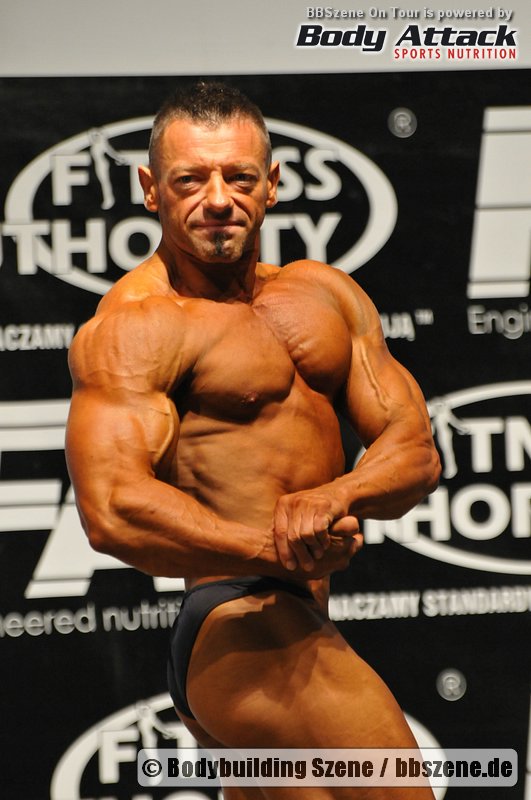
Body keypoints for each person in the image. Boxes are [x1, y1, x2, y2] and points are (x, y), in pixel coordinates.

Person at [66, 81, 441, 799]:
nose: (217, 199)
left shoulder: (325, 294)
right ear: (150, 188)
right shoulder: (137, 324)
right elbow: (111, 509)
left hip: (293, 620)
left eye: (238, 177)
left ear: (271, 183)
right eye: (190, 180)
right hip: (239, 622)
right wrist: (273, 549)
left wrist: (337, 495)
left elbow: (416, 448)